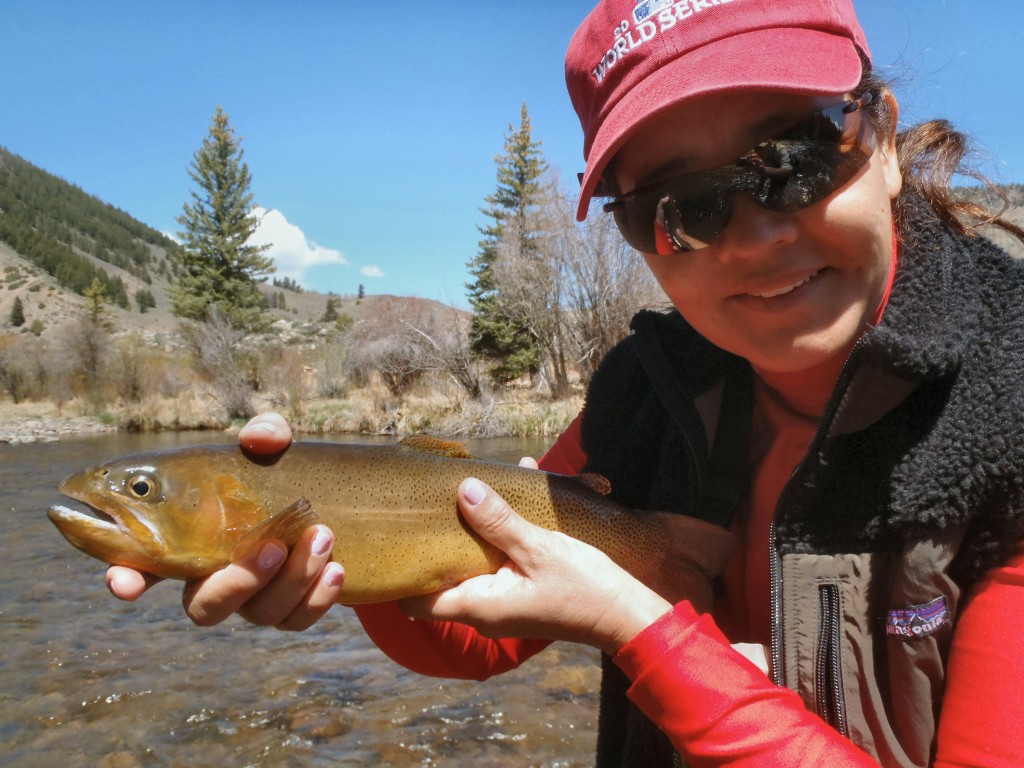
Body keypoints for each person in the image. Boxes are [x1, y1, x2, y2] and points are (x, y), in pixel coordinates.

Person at [107, 1, 1024, 765]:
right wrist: (352, 559)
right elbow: (484, 632)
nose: (753, 237)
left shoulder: (1010, 404)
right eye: (683, 207)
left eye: (797, 154)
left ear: (888, 137)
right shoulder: (648, 392)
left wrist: (640, 629)